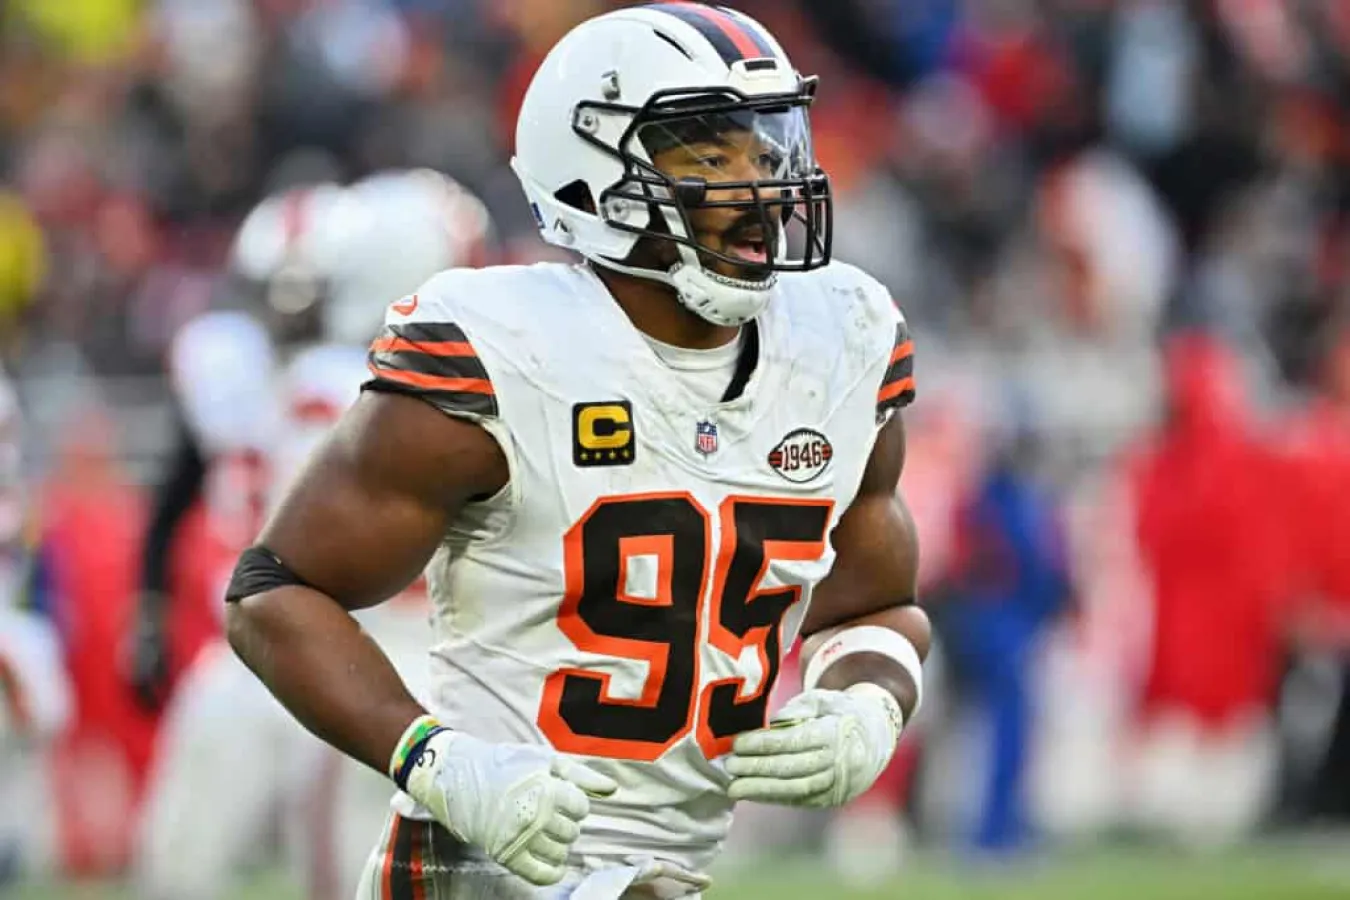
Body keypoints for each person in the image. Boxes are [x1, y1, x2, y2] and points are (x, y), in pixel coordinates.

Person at [226, 6, 930, 898]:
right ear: (594, 178)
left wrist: (867, 700)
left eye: (766, 152)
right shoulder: (506, 347)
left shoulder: (844, 340)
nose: (758, 189)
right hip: (481, 865)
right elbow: (272, 591)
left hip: (670, 867)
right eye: (710, 159)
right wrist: (440, 761)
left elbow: (877, 606)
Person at [133, 170, 494, 900]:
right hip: (365, 648)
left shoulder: (316, 383)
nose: (285, 315)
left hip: (328, 645)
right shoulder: (358, 383)